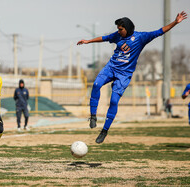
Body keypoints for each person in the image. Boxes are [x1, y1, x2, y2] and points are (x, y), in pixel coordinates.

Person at [77, 11, 187, 144]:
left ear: (127, 29)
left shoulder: (141, 37)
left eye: (120, 29)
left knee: (113, 101)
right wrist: (88, 41)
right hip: (111, 67)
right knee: (96, 85)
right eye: (118, 29)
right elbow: (104, 38)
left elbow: (159, 31)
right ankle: (93, 116)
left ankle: (104, 130)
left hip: (124, 74)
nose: (118, 31)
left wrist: (175, 22)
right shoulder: (117, 36)